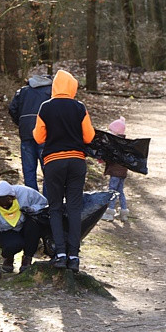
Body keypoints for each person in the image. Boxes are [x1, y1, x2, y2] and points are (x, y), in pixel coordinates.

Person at [33, 69, 95, 273]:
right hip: (76, 161)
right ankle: (74, 256)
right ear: (72, 86)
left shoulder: (45, 107)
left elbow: (38, 138)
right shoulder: (79, 107)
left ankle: (60, 254)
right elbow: (89, 136)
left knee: (56, 207)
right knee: (75, 208)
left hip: (53, 162)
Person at [0, 180, 48, 277]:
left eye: (8, 204)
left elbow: (44, 204)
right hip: (6, 233)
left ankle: (27, 259)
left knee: (33, 224)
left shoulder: (25, 193)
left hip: (25, 227)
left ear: (14, 197)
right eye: (1, 205)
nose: (5, 207)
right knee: (14, 244)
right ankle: (8, 257)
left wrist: (32, 209)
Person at [8, 74, 53, 196]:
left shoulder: (23, 91)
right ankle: (47, 202)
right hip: (45, 133)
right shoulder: (52, 91)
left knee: (29, 170)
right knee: (48, 169)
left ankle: (33, 202)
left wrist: (21, 122)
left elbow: (12, 109)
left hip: (26, 132)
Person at [101, 117, 130, 222]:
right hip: (123, 172)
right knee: (120, 191)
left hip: (115, 172)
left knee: (112, 190)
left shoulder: (115, 144)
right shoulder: (125, 144)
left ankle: (110, 211)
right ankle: (123, 211)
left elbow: (110, 156)